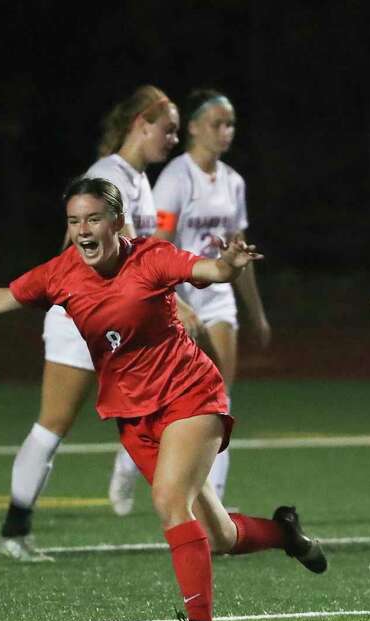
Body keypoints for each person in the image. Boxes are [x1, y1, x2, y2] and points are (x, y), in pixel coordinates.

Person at [0, 177, 327, 621]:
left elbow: (207, 269)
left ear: (116, 222)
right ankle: (286, 533)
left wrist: (228, 267)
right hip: (132, 413)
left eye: (92, 219)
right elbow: (1, 297)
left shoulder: (150, 256)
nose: (82, 230)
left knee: (170, 500)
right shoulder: (63, 272)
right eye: (73, 221)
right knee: (217, 536)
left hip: (188, 394)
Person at [0, 85, 187, 563]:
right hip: (82, 319)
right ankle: (14, 530)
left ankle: (147, 476)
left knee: (168, 399)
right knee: (53, 424)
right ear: (141, 123)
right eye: (168, 130)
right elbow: (78, 250)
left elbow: (138, 259)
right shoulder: (106, 175)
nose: (174, 139)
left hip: (115, 318)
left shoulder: (138, 181)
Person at [152, 89, 270, 504]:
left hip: (217, 296)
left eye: (231, 124)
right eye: (218, 123)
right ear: (194, 127)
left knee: (219, 394)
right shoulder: (174, 178)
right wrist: (169, 299)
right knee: (165, 394)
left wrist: (257, 313)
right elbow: (159, 244)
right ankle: (129, 459)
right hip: (179, 293)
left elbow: (240, 252)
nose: (226, 132)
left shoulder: (233, 182)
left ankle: (214, 496)